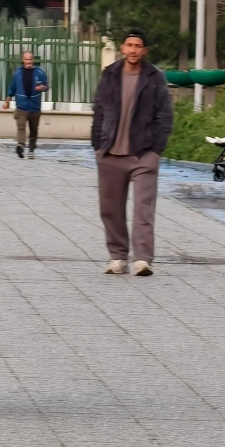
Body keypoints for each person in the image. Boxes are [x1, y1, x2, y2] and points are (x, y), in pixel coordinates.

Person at [90, 28, 173, 277]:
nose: (133, 50)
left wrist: (156, 149)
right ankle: (117, 257)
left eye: (138, 46)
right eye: (129, 45)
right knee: (110, 209)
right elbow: (99, 110)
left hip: (143, 153)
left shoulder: (154, 77)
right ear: (122, 48)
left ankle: (142, 259)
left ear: (144, 50)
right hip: (111, 152)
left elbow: (165, 114)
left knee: (143, 208)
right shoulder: (110, 74)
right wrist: (97, 145)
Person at [3, 51, 48, 159]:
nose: (28, 61)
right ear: (23, 60)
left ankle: (31, 149)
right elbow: (12, 88)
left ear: (33, 60)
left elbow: (46, 86)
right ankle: (21, 145)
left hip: (34, 106)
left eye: (30, 59)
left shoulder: (39, 72)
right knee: (21, 127)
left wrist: (42, 88)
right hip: (21, 106)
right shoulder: (18, 73)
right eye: (26, 59)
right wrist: (7, 101)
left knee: (34, 129)